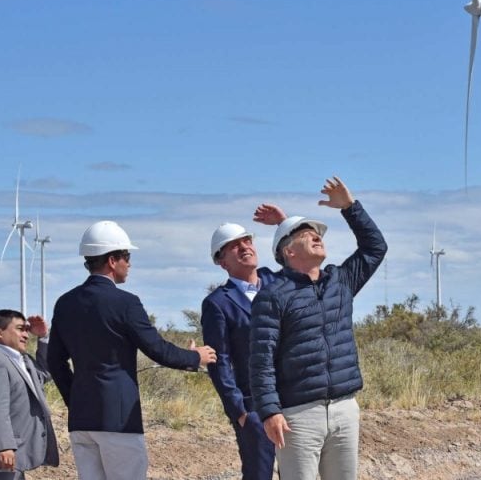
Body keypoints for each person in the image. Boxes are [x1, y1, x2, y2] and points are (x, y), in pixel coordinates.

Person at [47, 220, 217, 480]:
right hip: (119, 419)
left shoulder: (65, 303)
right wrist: (196, 357)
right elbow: (157, 349)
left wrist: (76, 399)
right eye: (127, 256)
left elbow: (55, 362)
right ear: (112, 260)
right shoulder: (126, 303)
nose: (130, 263)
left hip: (82, 420)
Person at [249, 176, 388, 480]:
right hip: (297, 416)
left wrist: (350, 208)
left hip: (344, 409)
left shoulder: (340, 281)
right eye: (306, 233)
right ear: (288, 252)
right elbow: (261, 361)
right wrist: (270, 412)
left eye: (317, 232)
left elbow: (375, 248)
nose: (316, 235)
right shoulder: (272, 296)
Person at [201, 204, 286, 480]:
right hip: (254, 407)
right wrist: (240, 412)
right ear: (221, 261)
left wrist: (283, 223)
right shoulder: (217, 304)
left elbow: (303, 257)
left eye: (247, 240)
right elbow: (220, 361)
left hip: (295, 398)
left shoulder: (278, 282)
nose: (244, 247)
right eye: (233, 246)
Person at [0, 310, 59, 480]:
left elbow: (45, 372)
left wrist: (44, 337)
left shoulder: (22, 361)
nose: (26, 335)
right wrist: (3, 446)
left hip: (14, 455)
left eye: (26, 330)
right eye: (20, 329)